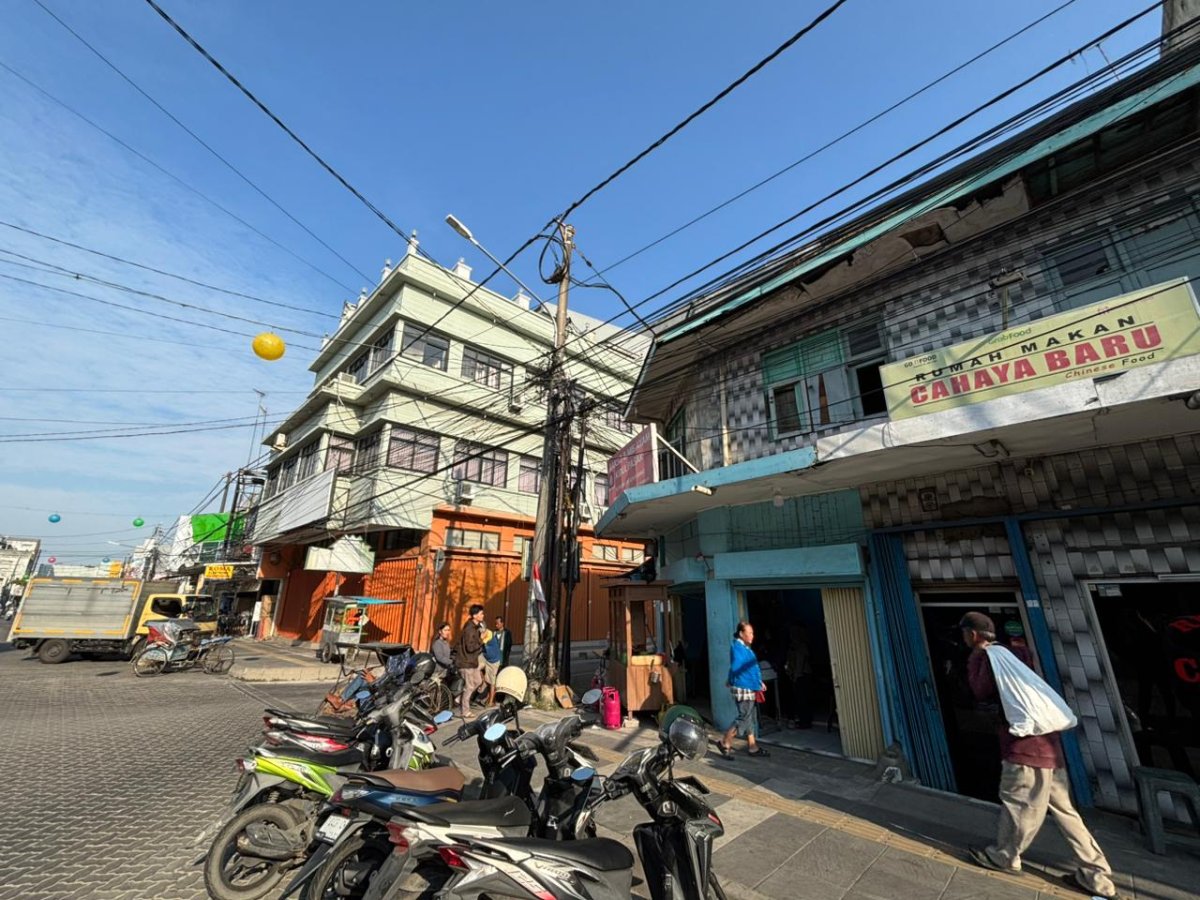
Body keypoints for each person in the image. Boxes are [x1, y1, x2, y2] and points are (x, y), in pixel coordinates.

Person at [961, 612, 1117, 899]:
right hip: (1050, 749)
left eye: (965, 635)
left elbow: (981, 690)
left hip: (1025, 750)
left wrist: (974, 657)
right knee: (1067, 814)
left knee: (1020, 806)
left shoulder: (988, 657)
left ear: (972, 634)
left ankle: (1005, 855)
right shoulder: (1017, 653)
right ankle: (1097, 876)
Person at [718, 621, 769, 759]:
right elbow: (737, 667)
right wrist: (735, 679)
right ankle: (725, 741)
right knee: (744, 717)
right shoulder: (738, 648)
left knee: (749, 717)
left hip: (749, 686)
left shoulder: (744, 648)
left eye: (752, 632)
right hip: (744, 687)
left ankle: (752, 746)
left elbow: (747, 668)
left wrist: (758, 682)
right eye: (750, 632)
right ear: (741, 633)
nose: (752, 635)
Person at [453, 604, 486, 719]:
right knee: (469, 687)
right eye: (481, 613)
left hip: (472, 661)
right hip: (465, 661)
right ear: (475, 615)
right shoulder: (469, 629)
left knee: (478, 681)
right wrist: (482, 639)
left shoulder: (476, 628)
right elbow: (470, 648)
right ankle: (465, 711)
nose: (483, 615)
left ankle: (459, 699)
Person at [785, 624, 814, 729]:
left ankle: (805, 722)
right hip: (799, 675)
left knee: (803, 699)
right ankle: (803, 721)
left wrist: (796, 676)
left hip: (802, 675)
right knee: (801, 699)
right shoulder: (794, 646)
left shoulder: (801, 646)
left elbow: (800, 662)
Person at [482, 623, 503, 706]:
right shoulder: (482, 633)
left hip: (494, 660)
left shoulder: (489, 633)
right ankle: (487, 696)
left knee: (492, 682)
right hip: (486, 658)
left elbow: (481, 641)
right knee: (487, 679)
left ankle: (491, 701)